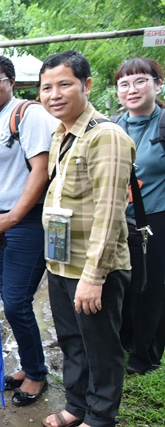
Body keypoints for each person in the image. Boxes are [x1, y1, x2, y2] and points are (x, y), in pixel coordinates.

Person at [39, 50, 135, 427]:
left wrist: (93, 278)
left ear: (87, 85)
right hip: (61, 264)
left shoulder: (106, 136)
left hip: (94, 270)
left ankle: (99, 417)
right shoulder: (61, 133)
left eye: (64, 84)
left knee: (101, 348)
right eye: (47, 87)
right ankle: (77, 406)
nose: (54, 94)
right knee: (72, 342)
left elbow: (110, 213)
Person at [0, 55, 56, 406]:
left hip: (24, 223)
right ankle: (30, 364)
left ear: (12, 81)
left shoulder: (28, 114)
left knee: (17, 302)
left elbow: (40, 169)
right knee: (11, 302)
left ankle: (36, 373)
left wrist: (12, 217)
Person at [114, 57, 165, 375]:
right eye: (124, 83)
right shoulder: (113, 125)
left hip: (158, 219)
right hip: (121, 219)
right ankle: (125, 340)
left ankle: (146, 354)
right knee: (124, 282)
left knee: (153, 288)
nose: (132, 89)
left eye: (140, 81)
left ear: (157, 84)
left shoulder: (162, 124)